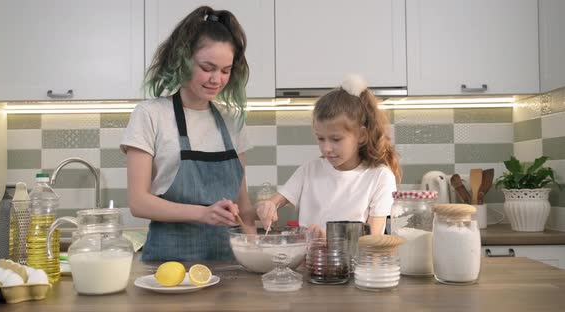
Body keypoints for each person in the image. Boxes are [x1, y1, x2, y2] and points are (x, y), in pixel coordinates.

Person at [120, 6, 256, 262]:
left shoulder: (232, 121)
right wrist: (203, 214)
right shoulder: (150, 115)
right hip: (166, 268)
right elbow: (138, 202)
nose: (217, 79)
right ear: (183, 60)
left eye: (225, 71)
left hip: (228, 267)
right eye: (208, 67)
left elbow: (243, 206)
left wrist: (257, 244)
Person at [256, 75, 401, 236]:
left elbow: (373, 239)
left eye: (336, 139)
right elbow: (273, 202)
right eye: (320, 138)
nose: (326, 148)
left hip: (355, 262)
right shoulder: (310, 170)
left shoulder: (380, 176)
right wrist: (267, 206)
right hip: (309, 261)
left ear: (361, 135)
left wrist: (326, 240)